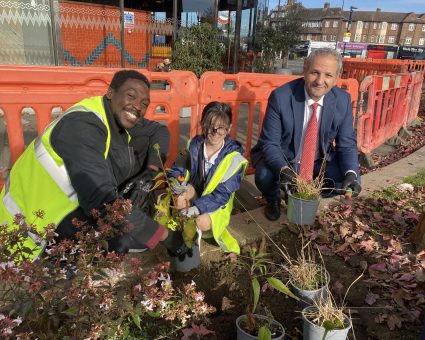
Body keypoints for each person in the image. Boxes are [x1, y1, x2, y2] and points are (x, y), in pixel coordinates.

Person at [0, 69, 190, 261]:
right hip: (25, 235)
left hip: (63, 212)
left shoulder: (112, 116)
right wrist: (166, 237)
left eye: (144, 104)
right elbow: (103, 201)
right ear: (110, 93)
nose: (137, 107)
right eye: (130, 96)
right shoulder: (82, 126)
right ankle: (69, 269)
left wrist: (150, 173)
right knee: (119, 240)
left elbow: (159, 131)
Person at [251, 48, 362, 221]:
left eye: (328, 75)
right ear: (305, 68)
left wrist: (351, 173)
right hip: (287, 159)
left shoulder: (342, 100)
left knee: (348, 180)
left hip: (319, 160)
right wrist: (284, 170)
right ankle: (273, 199)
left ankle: (305, 197)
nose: (320, 81)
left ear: (336, 77)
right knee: (264, 176)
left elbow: (346, 144)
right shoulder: (281, 97)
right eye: (315, 72)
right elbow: (270, 143)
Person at [168, 102, 248, 254]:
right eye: (210, 125)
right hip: (198, 192)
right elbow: (178, 167)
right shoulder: (194, 144)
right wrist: (176, 181)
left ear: (229, 128)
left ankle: (193, 236)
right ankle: (184, 234)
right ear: (202, 124)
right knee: (179, 197)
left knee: (201, 221)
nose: (215, 131)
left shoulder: (235, 159)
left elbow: (222, 195)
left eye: (221, 127)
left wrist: (196, 208)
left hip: (218, 204)